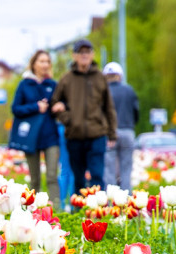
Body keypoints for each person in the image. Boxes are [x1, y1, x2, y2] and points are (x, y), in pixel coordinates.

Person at [51, 39, 117, 196]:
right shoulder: (66, 79)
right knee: (78, 178)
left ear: (92, 55)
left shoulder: (100, 78)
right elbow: (55, 103)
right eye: (81, 52)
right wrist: (67, 119)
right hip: (75, 135)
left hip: (97, 134)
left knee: (96, 175)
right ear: (74, 56)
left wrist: (112, 133)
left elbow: (109, 107)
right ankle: (79, 211)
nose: (84, 55)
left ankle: (97, 211)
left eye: (87, 52)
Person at [10, 50, 61, 209]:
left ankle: (56, 211)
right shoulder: (25, 84)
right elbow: (16, 108)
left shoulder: (52, 85)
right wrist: (35, 107)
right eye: (41, 61)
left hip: (50, 136)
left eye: (47, 61)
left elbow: (60, 105)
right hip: (31, 137)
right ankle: (31, 212)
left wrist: (59, 107)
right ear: (34, 64)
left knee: (52, 176)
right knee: (35, 179)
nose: (45, 64)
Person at [102, 61, 139, 191]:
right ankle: (127, 202)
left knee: (110, 171)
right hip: (127, 131)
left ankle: (112, 204)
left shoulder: (103, 92)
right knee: (126, 169)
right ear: (120, 76)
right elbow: (136, 112)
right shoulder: (129, 90)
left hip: (109, 134)